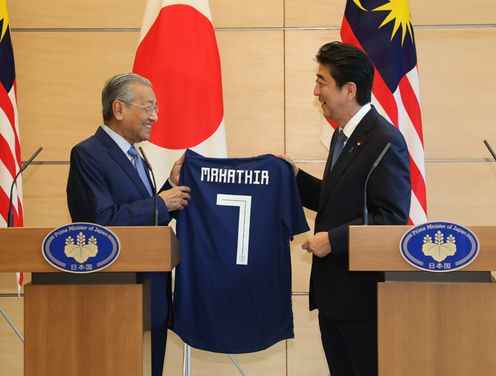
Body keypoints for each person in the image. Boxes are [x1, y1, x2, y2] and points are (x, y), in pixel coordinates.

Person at [278, 42, 411, 376]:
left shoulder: (385, 139)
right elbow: (337, 199)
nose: (316, 90)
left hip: (362, 298)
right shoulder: (343, 137)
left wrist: (333, 240)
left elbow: (390, 218)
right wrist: (295, 178)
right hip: (336, 295)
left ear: (349, 89)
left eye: (322, 81)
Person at [66, 72, 191, 376]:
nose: (155, 116)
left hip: (152, 298)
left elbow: (140, 218)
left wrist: (167, 188)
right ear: (119, 109)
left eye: (155, 108)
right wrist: (162, 203)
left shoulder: (137, 155)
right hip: (117, 300)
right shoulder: (88, 154)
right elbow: (101, 223)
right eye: (148, 107)